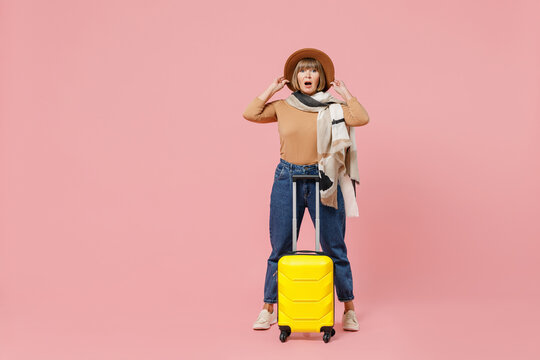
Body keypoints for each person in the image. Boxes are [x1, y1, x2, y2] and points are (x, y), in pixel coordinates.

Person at [242, 48, 370, 332]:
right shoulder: (283, 105)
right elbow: (250, 113)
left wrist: (347, 94)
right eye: (301, 71)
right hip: (287, 177)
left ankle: (348, 308)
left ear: (321, 76)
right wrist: (271, 89)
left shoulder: (334, 107)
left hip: (324, 178)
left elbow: (361, 118)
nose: (307, 75)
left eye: (312, 70)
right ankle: (268, 307)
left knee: (334, 246)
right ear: (294, 78)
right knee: (281, 247)